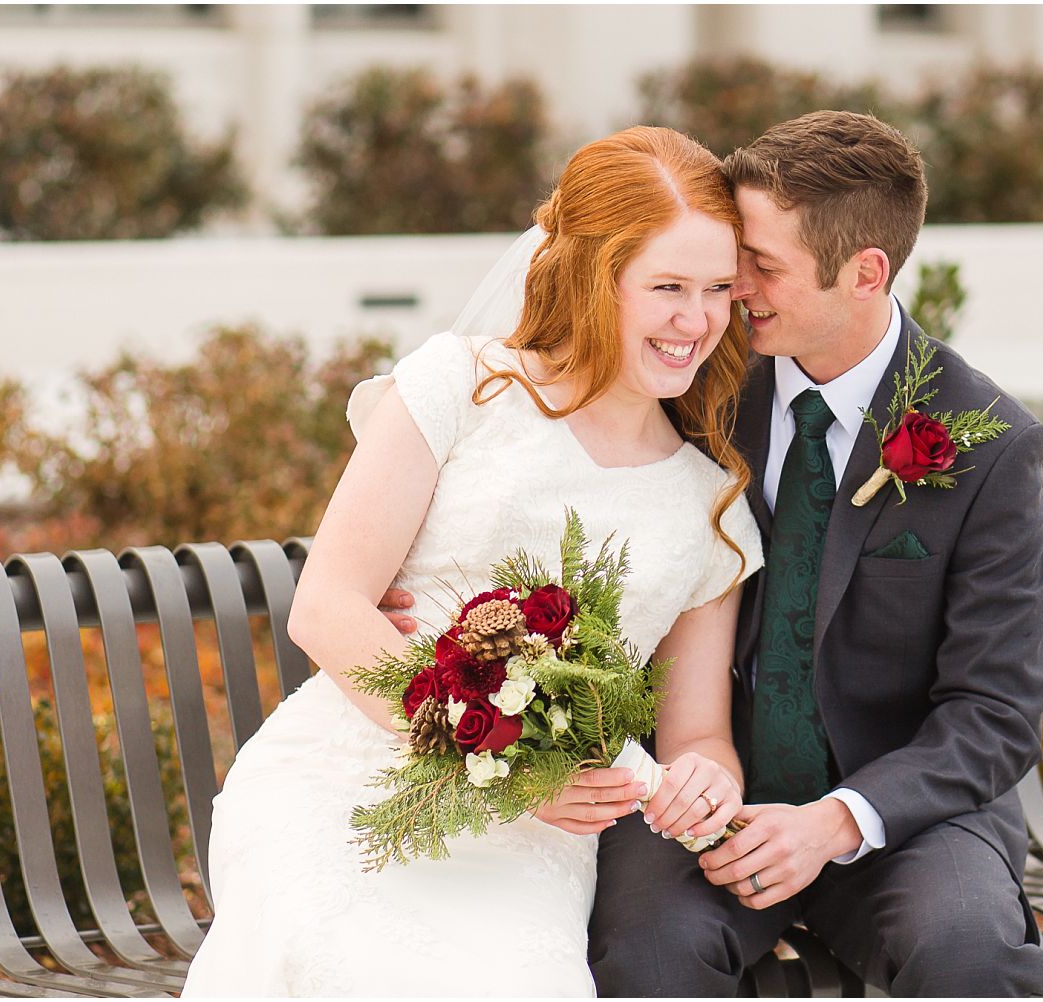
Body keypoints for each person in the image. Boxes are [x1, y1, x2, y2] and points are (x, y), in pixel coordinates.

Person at [180, 126, 764, 996]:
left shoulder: (705, 502)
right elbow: (327, 608)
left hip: (537, 840)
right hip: (347, 779)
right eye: (668, 287)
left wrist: (706, 787)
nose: (699, 320)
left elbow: (697, 735)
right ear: (593, 278)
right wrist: (514, 767)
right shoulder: (462, 387)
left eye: (719, 289)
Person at [586, 111, 1043, 996]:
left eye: (762, 267)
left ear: (866, 271)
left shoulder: (985, 442)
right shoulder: (696, 381)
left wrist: (839, 822)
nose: (734, 290)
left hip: (905, 818)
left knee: (970, 952)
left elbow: (993, 717)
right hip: (702, 796)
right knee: (646, 953)